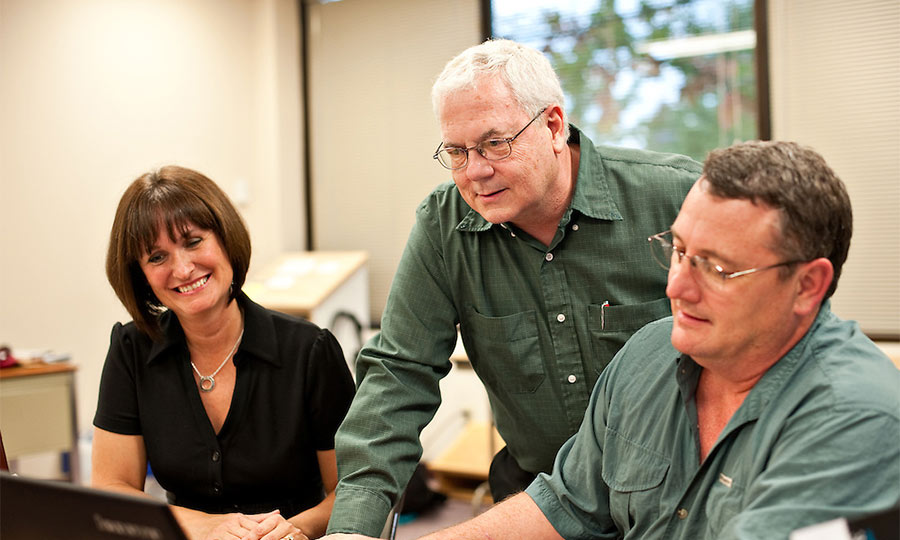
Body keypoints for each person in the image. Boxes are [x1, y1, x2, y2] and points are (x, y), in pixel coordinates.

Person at [326, 140, 900, 540]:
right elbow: (565, 504)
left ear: (808, 285)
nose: (677, 285)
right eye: (678, 251)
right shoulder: (651, 355)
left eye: (718, 268)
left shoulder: (855, 419)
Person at [326, 39, 700, 536]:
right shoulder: (445, 227)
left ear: (552, 125)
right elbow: (398, 376)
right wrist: (354, 527)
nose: (475, 171)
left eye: (494, 144)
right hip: (538, 494)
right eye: (457, 152)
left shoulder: (676, 198)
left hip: (676, 491)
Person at [94, 166, 355, 540]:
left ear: (225, 239)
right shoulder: (131, 349)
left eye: (193, 241)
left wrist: (289, 530)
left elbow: (350, 490)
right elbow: (111, 487)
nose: (182, 269)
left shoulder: (309, 351)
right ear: (140, 276)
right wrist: (204, 525)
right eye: (156, 257)